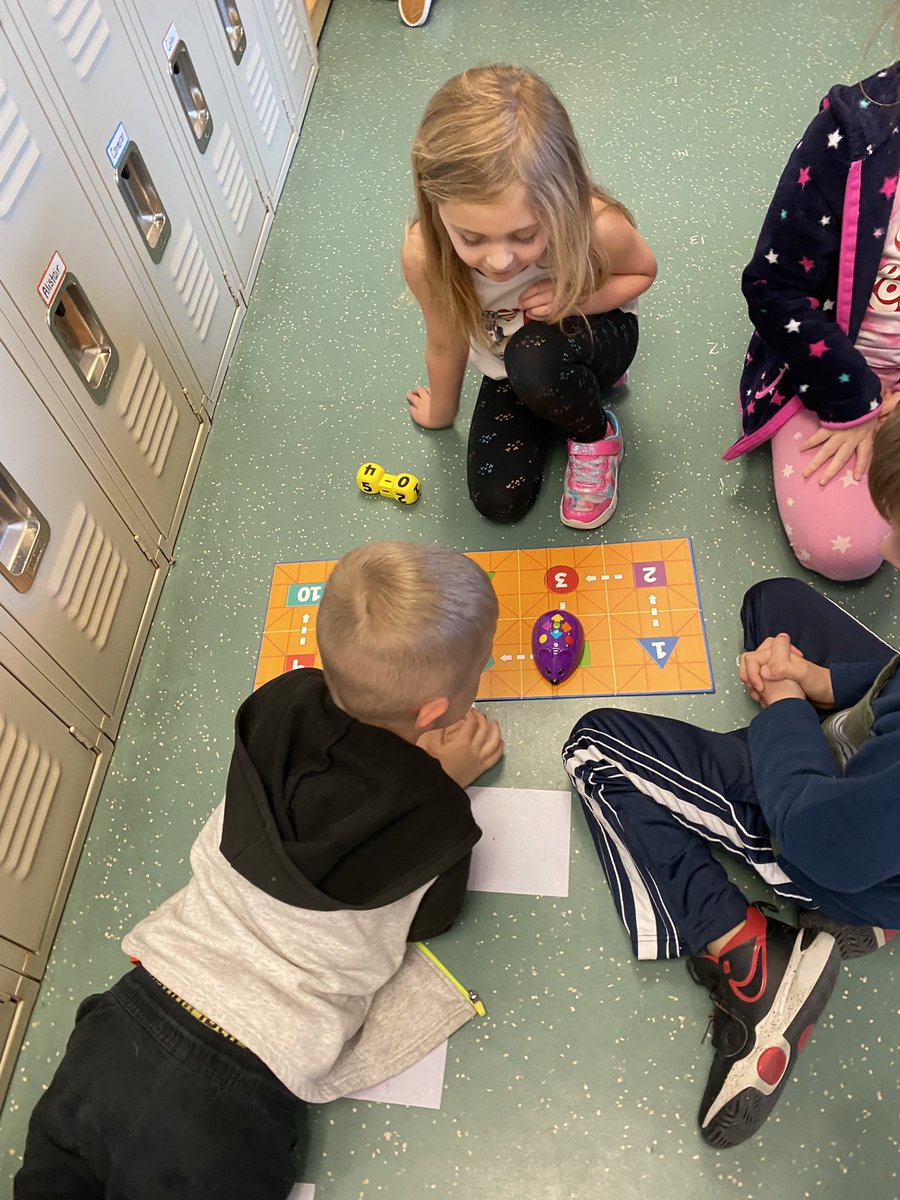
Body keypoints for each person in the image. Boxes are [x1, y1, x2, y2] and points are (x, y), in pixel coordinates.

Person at [15, 541, 502, 1200]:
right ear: (431, 713)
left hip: (125, 1020)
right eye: (483, 663)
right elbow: (434, 918)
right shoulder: (437, 818)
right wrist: (445, 782)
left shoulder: (280, 703)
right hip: (235, 1085)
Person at [562, 409, 900, 1148]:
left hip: (839, 840)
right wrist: (819, 681)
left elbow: (817, 830)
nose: (889, 546)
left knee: (594, 749)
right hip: (873, 794)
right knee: (770, 606)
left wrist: (784, 708)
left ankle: (750, 955)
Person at [402, 65, 657, 527]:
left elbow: (643, 271)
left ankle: (596, 434)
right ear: (434, 205)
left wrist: (574, 302)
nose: (500, 262)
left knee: (533, 357)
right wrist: (441, 412)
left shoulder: (597, 225)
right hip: (513, 366)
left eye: (524, 235)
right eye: (472, 238)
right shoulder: (425, 253)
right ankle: (557, 394)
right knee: (498, 500)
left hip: (596, 332)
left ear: (560, 199)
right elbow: (445, 338)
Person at [725, 59, 900, 580]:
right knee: (849, 553)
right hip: (833, 371)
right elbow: (774, 287)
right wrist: (857, 403)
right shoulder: (855, 131)